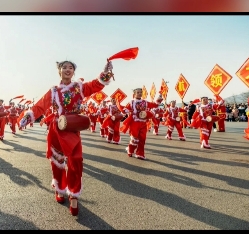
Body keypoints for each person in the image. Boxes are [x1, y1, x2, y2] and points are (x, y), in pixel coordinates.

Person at [18, 60, 114, 216]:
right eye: (64, 67)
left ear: (74, 72)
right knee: (57, 162)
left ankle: (74, 195)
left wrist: (106, 73)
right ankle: (60, 189)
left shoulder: (79, 88)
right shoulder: (54, 91)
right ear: (59, 71)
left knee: (76, 161)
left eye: (71, 68)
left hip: (73, 128)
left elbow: (96, 85)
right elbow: (40, 106)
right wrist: (27, 118)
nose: (67, 70)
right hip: (57, 128)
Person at [120, 88, 158, 160]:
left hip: (143, 123)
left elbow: (154, 105)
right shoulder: (131, 102)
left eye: (141, 92)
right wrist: (124, 111)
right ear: (134, 94)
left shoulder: (145, 102)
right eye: (138, 92)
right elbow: (125, 109)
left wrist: (159, 99)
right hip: (134, 123)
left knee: (142, 139)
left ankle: (140, 154)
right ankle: (130, 150)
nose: (140, 93)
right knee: (135, 139)